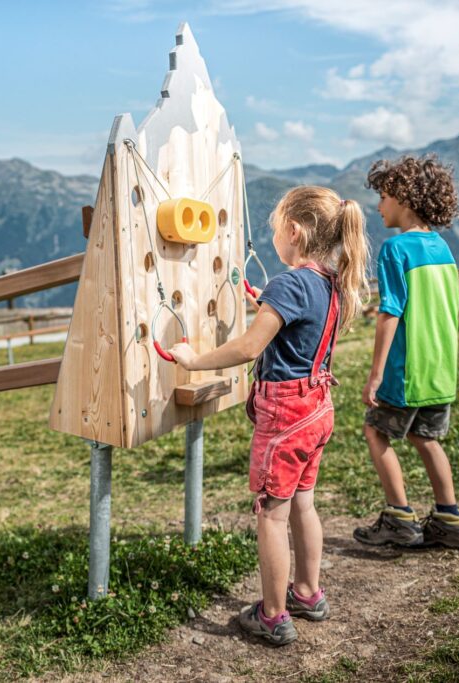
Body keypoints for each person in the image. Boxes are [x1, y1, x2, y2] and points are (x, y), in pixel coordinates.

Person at [169, 186, 369, 646]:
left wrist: (192, 360)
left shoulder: (289, 284)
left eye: (275, 228)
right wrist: (270, 303)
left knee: (271, 516)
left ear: (294, 232)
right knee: (303, 502)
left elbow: (247, 347)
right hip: (317, 408)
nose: (274, 236)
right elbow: (300, 331)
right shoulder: (330, 283)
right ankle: (307, 593)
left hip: (285, 414)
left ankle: (273, 615)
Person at [353, 155, 459, 550]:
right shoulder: (442, 249)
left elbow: (390, 312)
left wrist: (376, 374)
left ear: (404, 198)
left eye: (384, 196)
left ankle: (400, 518)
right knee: (426, 439)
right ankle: (449, 520)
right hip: (440, 371)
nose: (378, 205)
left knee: (376, 431)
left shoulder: (395, 250)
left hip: (406, 372)